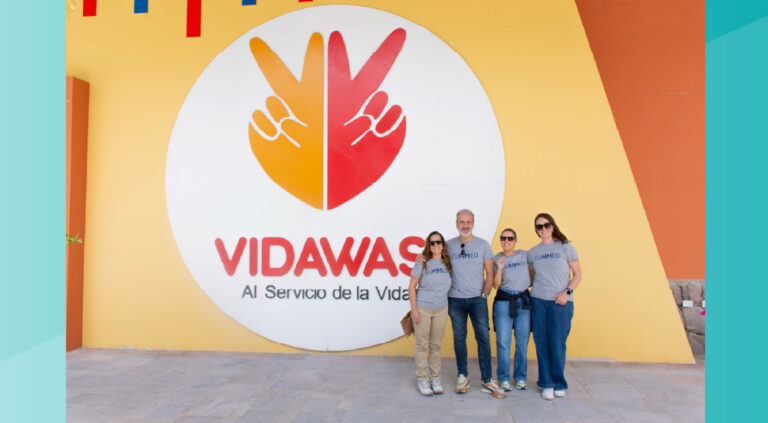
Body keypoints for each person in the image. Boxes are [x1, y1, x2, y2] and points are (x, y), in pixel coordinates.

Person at [419, 209, 505, 398]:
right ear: (456, 224)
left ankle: (487, 379)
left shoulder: (483, 245)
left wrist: (484, 294)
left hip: (477, 300)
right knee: (459, 338)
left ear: (473, 223)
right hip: (455, 300)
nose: (465, 225)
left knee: (483, 338)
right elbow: (432, 254)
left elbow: (490, 273)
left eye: (468, 222)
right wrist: (420, 257)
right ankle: (462, 376)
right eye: (461, 222)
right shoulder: (448, 245)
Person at [527, 213, 582, 400]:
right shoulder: (532, 253)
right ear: (536, 230)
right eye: (539, 226)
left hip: (561, 302)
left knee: (557, 343)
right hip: (538, 301)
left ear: (552, 226)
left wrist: (567, 292)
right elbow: (531, 278)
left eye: (546, 225)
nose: (543, 229)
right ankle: (546, 383)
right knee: (541, 342)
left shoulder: (565, 247)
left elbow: (577, 275)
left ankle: (559, 382)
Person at [408, 231, 452, 396]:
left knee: (436, 346)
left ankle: (435, 378)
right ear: (428, 245)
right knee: (422, 345)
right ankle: (422, 379)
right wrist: (414, 310)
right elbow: (411, 287)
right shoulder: (422, 262)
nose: (436, 245)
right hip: (423, 309)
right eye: (432, 243)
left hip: (441, 309)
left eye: (438, 242)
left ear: (443, 244)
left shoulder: (448, 262)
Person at [492, 228, 532, 392]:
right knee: (503, 341)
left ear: (515, 241)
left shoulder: (523, 255)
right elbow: (495, 285)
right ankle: (503, 378)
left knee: (522, 341)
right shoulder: (496, 259)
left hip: (523, 301)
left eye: (510, 238)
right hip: (504, 301)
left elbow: (534, 270)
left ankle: (520, 377)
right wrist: (500, 268)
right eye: (503, 238)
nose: (506, 241)